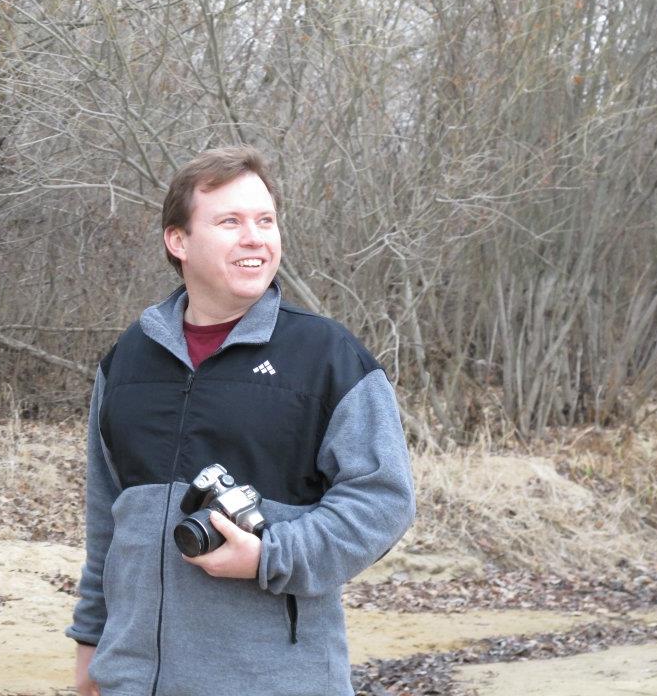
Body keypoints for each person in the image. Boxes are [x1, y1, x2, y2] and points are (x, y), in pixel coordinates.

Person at [66, 145, 415, 696]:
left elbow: (384, 501)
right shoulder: (126, 361)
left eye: (265, 220)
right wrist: (91, 649)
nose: (255, 237)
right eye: (230, 221)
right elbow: (108, 525)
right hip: (132, 680)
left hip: (275, 681)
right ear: (178, 241)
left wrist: (270, 556)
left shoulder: (327, 357)